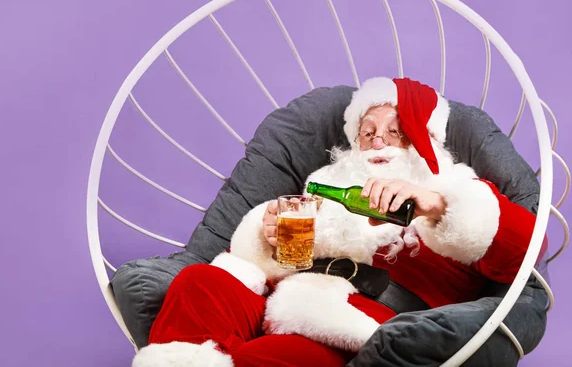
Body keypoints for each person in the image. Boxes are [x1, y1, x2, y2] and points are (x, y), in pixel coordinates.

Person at [132, 77, 546, 367]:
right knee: (199, 282)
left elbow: (525, 254)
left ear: (427, 140)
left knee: (267, 359)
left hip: (355, 321)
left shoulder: (454, 189)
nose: (377, 140)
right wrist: (267, 238)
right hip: (283, 295)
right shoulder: (326, 190)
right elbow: (271, 263)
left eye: (397, 131)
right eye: (366, 133)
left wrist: (436, 204)